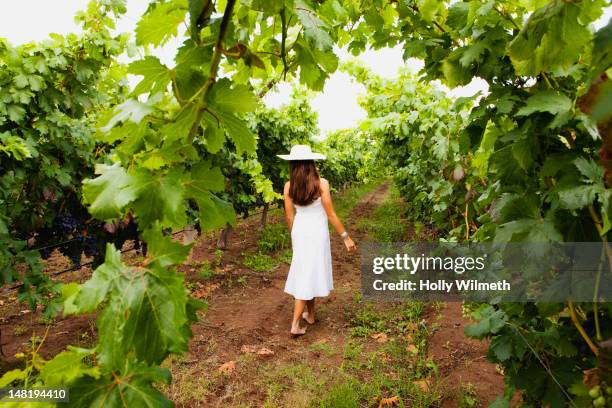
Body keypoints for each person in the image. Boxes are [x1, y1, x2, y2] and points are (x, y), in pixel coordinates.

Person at [277, 145, 357, 336]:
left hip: (300, 232)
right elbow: (330, 213)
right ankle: (295, 324)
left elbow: (289, 217)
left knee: (307, 271)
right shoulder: (322, 184)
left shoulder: (289, 186)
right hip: (317, 233)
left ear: (293, 165)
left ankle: (310, 315)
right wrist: (345, 237)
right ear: (311, 163)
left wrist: (294, 237)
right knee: (307, 275)